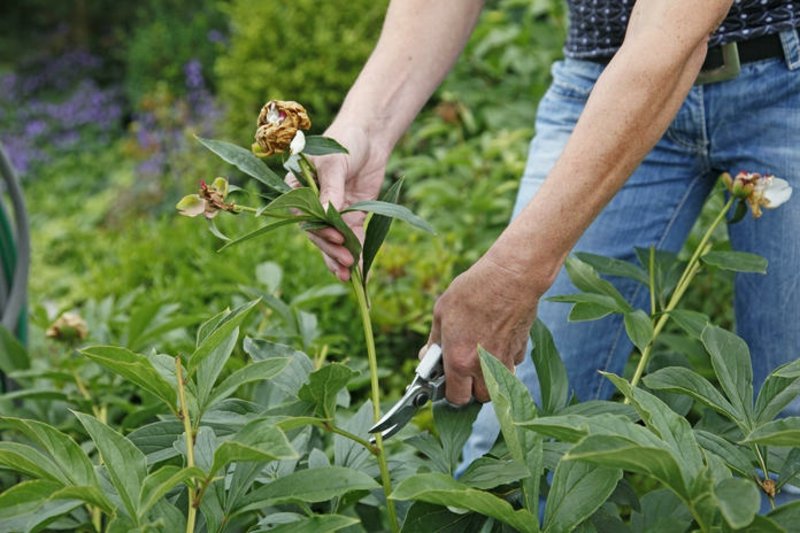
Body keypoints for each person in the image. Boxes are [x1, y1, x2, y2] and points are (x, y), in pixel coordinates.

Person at [301, 0, 800, 466]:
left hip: (783, 77)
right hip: (600, 77)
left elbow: (671, 36)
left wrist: (515, 271)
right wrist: (360, 127)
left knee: (785, 440)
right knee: (518, 440)